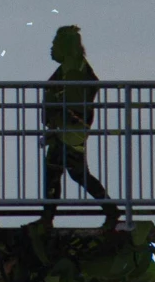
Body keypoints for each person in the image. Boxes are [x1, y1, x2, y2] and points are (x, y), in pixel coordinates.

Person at [44, 24, 117, 227]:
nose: (51, 49)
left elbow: (73, 102)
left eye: (55, 44)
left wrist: (56, 119)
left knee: (62, 172)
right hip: (64, 131)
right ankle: (110, 209)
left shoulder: (76, 70)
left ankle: (47, 219)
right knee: (69, 172)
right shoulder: (69, 69)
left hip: (69, 132)